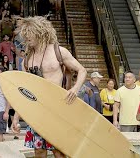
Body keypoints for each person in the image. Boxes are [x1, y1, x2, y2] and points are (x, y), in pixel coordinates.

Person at [12, 16, 87, 158]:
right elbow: (24, 91)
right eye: (25, 34)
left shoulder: (59, 52)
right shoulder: (27, 59)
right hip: (37, 110)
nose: (26, 37)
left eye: (29, 33)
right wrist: (16, 118)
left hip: (58, 109)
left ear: (40, 32)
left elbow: (82, 70)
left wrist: (75, 89)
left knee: (60, 151)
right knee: (39, 151)